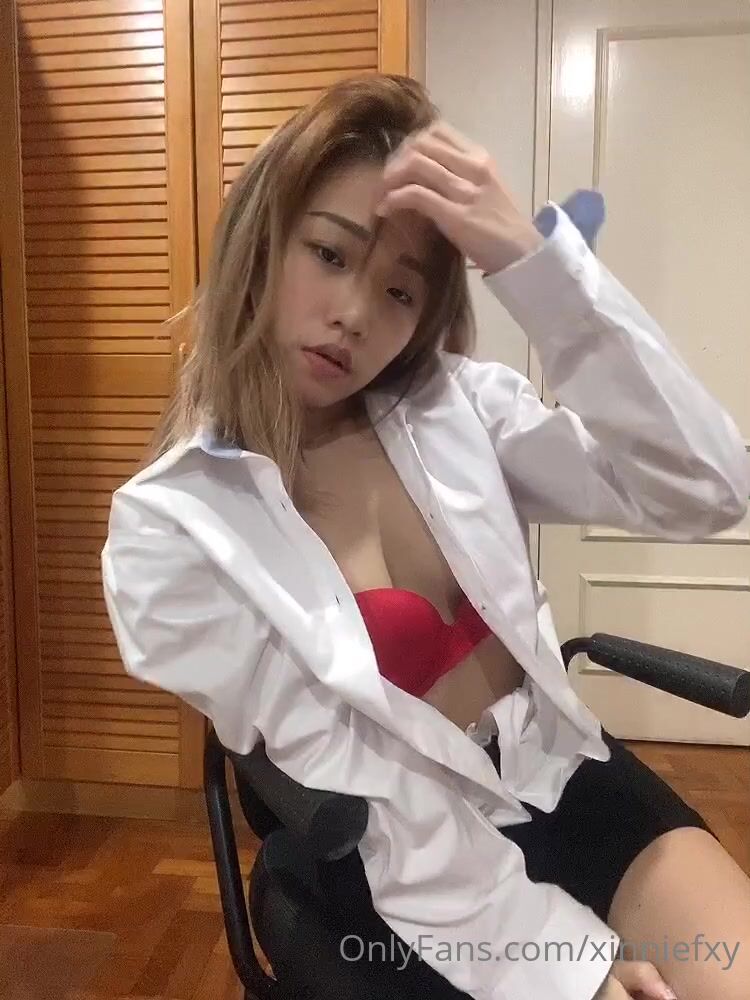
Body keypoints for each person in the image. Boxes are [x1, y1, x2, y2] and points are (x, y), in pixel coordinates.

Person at [101, 75, 750, 1000]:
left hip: (557, 774)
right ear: (262, 237)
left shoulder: (454, 410)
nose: (356, 313)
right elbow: (375, 798)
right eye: (330, 253)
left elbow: (706, 487)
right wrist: (570, 967)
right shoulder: (172, 531)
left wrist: (533, 264)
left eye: (400, 290)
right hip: (403, 866)